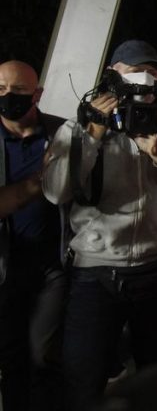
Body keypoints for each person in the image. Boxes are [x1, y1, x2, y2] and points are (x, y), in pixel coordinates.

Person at [42, 40, 157, 411]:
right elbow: (56, 191)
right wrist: (91, 136)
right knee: (83, 379)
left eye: (153, 72)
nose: (145, 79)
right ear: (112, 75)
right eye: (136, 71)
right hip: (96, 275)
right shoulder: (77, 127)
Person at [0, 60, 67, 411]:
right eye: (0, 90)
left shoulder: (63, 132)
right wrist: (42, 179)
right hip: (5, 266)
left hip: (53, 265)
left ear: (37, 94)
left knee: (44, 356)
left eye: (18, 90)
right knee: (11, 357)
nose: (8, 97)